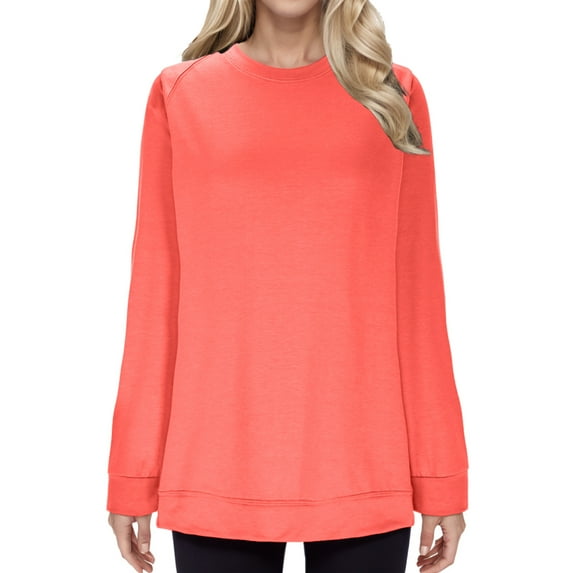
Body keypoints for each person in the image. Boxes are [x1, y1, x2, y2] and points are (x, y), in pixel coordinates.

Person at [106, 1, 469, 572]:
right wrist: (134, 473)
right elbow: (157, 292)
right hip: (215, 460)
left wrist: (440, 474)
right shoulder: (181, 93)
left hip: (364, 459)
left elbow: (418, 296)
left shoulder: (392, 94)